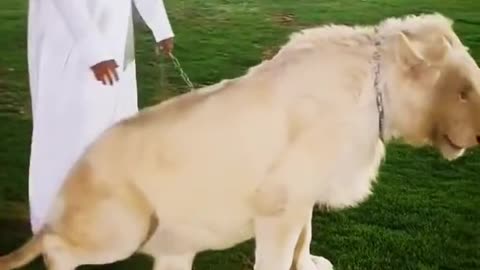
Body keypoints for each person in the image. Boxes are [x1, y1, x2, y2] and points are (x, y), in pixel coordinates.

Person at [26, 0, 175, 233]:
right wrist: (93, 50)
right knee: (69, 133)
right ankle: (56, 222)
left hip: (114, 38)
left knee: (116, 127)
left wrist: (160, 25)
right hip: (68, 42)